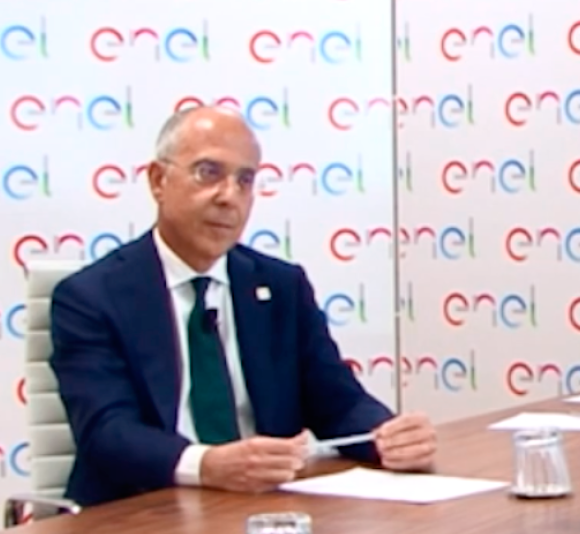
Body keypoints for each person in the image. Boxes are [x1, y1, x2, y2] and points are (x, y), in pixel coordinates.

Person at [51, 106, 437, 506]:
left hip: (262, 508)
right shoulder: (91, 297)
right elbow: (107, 432)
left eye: (245, 180)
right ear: (158, 180)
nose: (229, 197)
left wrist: (387, 436)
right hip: (139, 512)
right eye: (208, 173)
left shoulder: (282, 286)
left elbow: (339, 403)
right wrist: (207, 465)